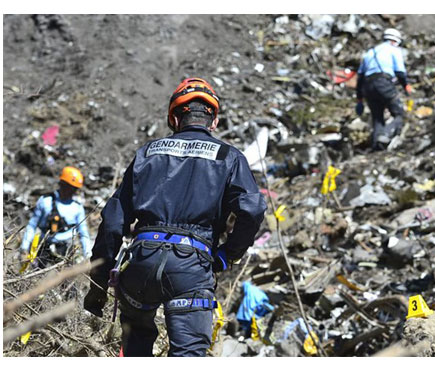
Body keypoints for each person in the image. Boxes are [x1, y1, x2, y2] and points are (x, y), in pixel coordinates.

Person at [83, 77, 267, 357]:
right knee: (188, 354)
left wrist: (97, 286)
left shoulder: (148, 153)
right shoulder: (229, 157)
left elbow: (112, 222)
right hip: (191, 268)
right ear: (213, 120)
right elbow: (252, 210)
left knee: (135, 348)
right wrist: (227, 254)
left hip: (141, 261)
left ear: (174, 118)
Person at [19, 166, 91, 267]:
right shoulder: (45, 201)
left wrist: (87, 256)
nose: (71, 191)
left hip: (65, 249)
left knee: (64, 280)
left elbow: (84, 233)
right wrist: (24, 249)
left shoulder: (77, 208)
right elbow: (32, 225)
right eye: (68, 187)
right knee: (38, 275)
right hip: (44, 246)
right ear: (62, 184)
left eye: (74, 189)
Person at [355, 28, 413, 150]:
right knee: (399, 114)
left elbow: (359, 78)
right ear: (395, 41)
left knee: (377, 118)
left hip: (367, 86)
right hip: (383, 82)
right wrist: (406, 86)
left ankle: (377, 147)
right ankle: (385, 135)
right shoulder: (393, 50)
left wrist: (359, 100)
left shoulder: (370, 53)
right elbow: (400, 72)